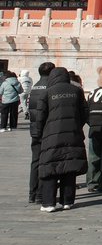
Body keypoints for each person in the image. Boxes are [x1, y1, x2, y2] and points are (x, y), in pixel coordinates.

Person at [35, 67, 88, 212]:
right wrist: (76, 126)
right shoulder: (77, 91)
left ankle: (48, 203)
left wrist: (39, 134)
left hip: (51, 135)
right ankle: (67, 201)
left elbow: (40, 117)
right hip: (73, 134)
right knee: (69, 167)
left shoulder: (46, 92)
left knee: (50, 167)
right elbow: (84, 113)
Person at [28, 61, 55, 203]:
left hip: (34, 129)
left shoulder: (35, 87)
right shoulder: (50, 88)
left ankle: (31, 193)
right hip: (46, 130)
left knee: (35, 161)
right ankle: (40, 194)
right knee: (45, 162)